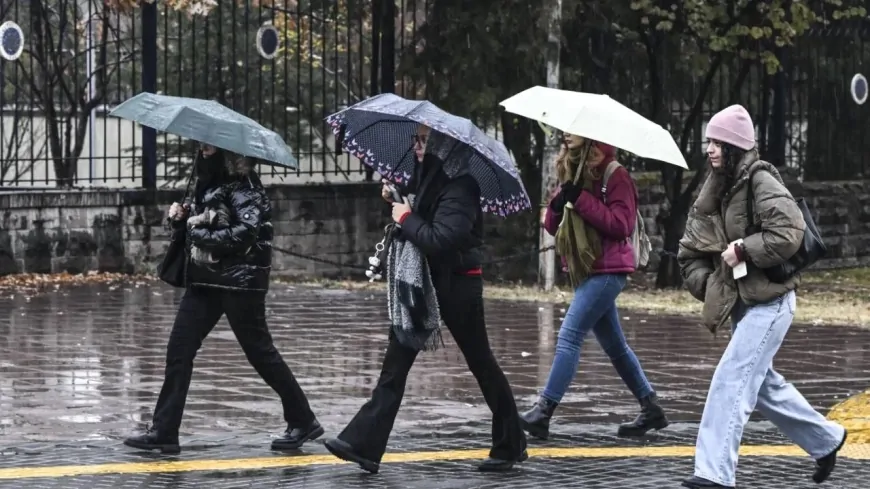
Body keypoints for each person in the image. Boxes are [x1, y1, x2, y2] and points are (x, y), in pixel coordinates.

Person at [323, 125, 528, 473]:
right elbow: (422, 209)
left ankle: (510, 443)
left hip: (457, 285)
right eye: (415, 140)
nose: (416, 146)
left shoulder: (462, 185)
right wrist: (399, 195)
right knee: (396, 363)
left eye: (423, 141)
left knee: (481, 362)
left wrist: (405, 216)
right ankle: (363, 444)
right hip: (421, 282)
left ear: (443, 145)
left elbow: (440, 237)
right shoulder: (427, 174)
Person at [678, 105, 847, 488]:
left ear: (736, 146)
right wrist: (712, 288)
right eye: (708, 141)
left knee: (731, 379)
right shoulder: (714, 188)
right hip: (743, 303)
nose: (710, 149)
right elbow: (689, 252)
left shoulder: (761, 179)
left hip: (772, 303)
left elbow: (789, 232)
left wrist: (742, 250)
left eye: (717, 142)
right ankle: (827, 440)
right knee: (765, 386)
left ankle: (714, 474)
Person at [123, 144, 323, 454]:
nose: (204, 150)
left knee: (260, 352)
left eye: (211, 147)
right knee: (179, 349)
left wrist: (195, 232)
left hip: (239, 282)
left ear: (229, 152)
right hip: (206, 279)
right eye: (201, 146)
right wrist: (183, 219)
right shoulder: (209, 184)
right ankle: (164, 430)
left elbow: (245, 232)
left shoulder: (247, 187)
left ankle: (303, 419)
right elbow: (209, 223)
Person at [519, 133, 667, 440]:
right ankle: (650, 406)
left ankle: (544, 411)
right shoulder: (572, 171)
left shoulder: (617, 175)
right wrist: (559, 203)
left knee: (570, 335)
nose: (565, 134)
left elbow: (621, 225)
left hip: (609, 270)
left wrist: (581, 199)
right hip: (586, 270)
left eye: (573, 131)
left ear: (590, 136)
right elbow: (550, 225)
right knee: (615, 346)